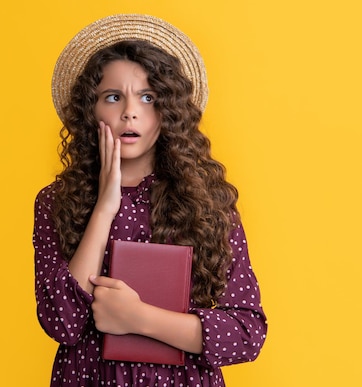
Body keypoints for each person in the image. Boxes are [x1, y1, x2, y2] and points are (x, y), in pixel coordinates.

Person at [32, 14, 267, 386]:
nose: (130, 110)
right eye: (113, 97)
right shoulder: (55, 202)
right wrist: (104, 209)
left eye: (148, 97)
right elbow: (62, 321)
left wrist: (138, 318)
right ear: (90, 110)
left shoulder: (207, 202)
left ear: (167, 112)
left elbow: (246, 333)